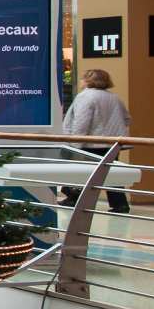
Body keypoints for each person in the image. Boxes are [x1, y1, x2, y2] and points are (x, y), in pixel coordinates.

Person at [59, 68, 132, 213]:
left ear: (87, 80)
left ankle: (74, 198)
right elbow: (126, 118)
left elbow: (81, 122)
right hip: (112, 143)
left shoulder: (85, 97)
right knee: (109, 173)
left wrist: (74, 144)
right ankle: (120, 204)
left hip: (90, 143)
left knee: (82, 172)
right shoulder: (114, 97)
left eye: (82, 78)